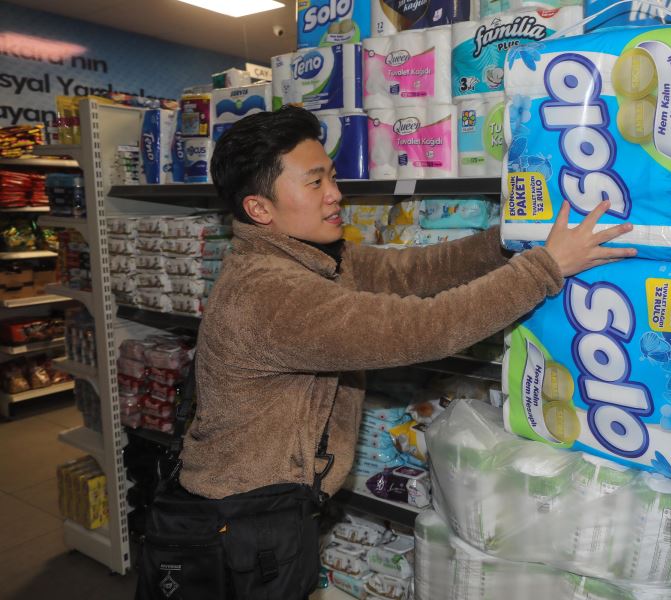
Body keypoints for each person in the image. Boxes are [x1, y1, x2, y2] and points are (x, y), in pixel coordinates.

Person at [136, 105, 636, 599]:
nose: (335, 194)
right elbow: (422, 329)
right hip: (245, 519)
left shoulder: (311, 256)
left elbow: (412, 272)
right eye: (315, 182)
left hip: (270, 507)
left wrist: (511, 238)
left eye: (332, 176)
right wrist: (545, 268)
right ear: (260, 209)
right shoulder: (270, 293)